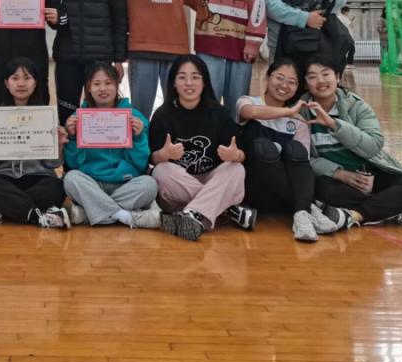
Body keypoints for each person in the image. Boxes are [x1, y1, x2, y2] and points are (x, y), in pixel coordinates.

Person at [302, 58, 402, 226]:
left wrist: (334, 125)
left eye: (326, 74)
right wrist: (340, 174)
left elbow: (373, 146)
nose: (320, 81)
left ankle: (354, 215)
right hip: (336, 181)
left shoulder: (357, 106)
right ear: (306, 83)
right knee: (320, 188)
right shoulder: (301, 112)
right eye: (312, 77)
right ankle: (395, 210)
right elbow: (304, 158)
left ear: (338, 77)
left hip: (368, 177)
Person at [235, 58, 348, 242]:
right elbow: (251, 113)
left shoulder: (298, 122)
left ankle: (302, 213)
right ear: (267, 78)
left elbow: (302, 165)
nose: (284, 85)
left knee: (296, 149)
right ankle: (308, 207)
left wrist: (293, 116)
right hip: (254, 188)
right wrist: (288, 112)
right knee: (263, 146)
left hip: (282, 195)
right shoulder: (248, 101)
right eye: (279, 78)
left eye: (292, 82)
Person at [148, 54, 247, 241]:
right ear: (173, 82)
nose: (189, 83)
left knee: (236, 169)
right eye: (182, 77)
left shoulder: (219, 113)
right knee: (161, 171)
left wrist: (236, 155)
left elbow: (242, 155)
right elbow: (152, 160)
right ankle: (224, 209)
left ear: (204, 82)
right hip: (178, 188)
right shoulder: (162, 115)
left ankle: (192, 215)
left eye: (195, 77)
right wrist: (163, 154)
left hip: (211, 178)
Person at [0, 57, 70, 228]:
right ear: (6, 83)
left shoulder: (46, 116)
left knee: (57, 186)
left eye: (27, 78)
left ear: (35, 82)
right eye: (15, 78)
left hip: (38, 178)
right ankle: (35, 214)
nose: (21, 83)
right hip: (5, 178)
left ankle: (5, 208)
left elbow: (53, 164)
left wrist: (59, 145)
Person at [62, 62, 160, 228]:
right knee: (70, 179)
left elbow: (140, 164)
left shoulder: (134, 117)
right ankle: (125, 216)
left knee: (149, 185)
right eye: (96, 84)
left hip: (125, 182)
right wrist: (72, 137)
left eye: (108, 83)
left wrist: (138, 138)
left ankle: (87, 213)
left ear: (116, 85)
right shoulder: (79, 117)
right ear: (89, 87)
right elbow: (74, 164)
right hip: (92, 182)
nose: (103, 89)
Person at [52, 0, 128, 125]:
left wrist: (119, 60)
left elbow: (120, 21)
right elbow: (49, 10)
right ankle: (70, 147)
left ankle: (99, 148)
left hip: (100, 58)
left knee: (100, 115)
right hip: (67, 57)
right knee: (67, 116)